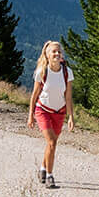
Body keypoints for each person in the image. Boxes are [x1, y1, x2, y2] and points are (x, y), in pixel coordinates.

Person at [27, 39, 73, 188]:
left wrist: (71, 116)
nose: (57, 54)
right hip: (43, 111)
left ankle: (42, 168)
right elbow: (34, 95)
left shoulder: (67, 72)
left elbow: (68, 96)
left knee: (51, 144)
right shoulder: (42, 72)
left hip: (59, 112)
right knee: (52, 142)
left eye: (59, 51)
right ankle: (50, 176)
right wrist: (30, 116)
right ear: (47, 55)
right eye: (54, 51)